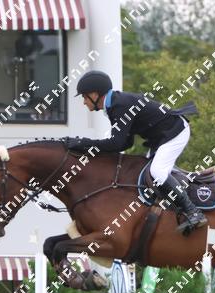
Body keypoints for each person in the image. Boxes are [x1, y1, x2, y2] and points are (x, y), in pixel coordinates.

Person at [66, 70, 207, 235]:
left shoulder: (120, 105)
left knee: (157, 172)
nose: (84, 102)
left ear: (95, 95)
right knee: (143, 174)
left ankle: (193, 212)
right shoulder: (114, 105)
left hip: (175, 132)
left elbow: (117, 143)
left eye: (84, 97)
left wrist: (84, 144)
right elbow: (126, 142)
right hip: (160, 138)